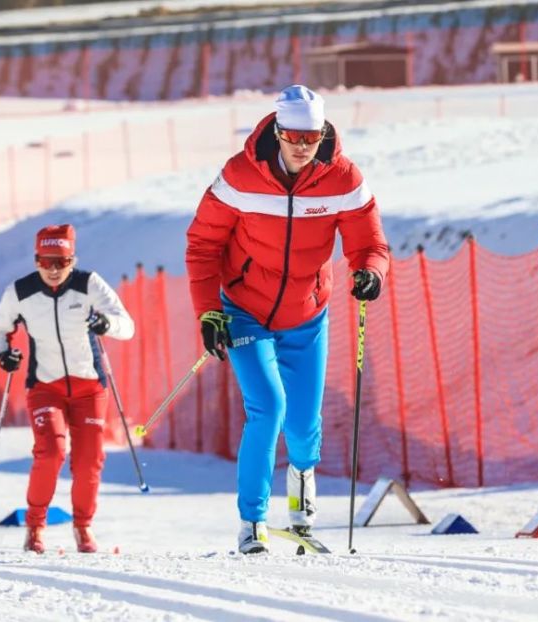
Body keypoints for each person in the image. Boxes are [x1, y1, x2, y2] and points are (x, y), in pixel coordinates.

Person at [185, 85, 389, 554]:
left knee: (301, 423)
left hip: (307, 311)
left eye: (311, 136)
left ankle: (301, 505)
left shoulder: (343, 178)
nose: (301, 145)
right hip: (244, 309)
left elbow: (369, 244)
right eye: (293, 135)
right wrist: (208, 313)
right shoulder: (239, 176)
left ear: (322, 134)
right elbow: (202, 245)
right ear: (277, 131)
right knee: (268, 407)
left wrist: (370, 274)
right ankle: (252, 522)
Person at [0, 224, 134, 554]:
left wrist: (106, 324)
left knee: (88, 461)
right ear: (36, 259)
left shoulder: (89, 285)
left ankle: (83, 527)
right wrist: (3, 355)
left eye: (62, 262)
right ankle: (35, 527)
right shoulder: (21, 292)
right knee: (51, 452)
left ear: (73, 260)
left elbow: (128, 326)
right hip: (45, 386)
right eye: (46, 262)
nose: (53, 270)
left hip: (89, 388)